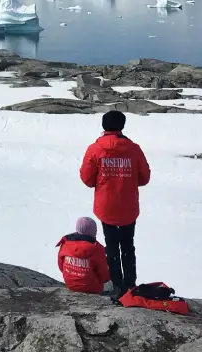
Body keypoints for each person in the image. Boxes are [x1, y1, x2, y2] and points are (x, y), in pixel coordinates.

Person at [79, 109, 150, 297]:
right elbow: (144, 177)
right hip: (128, 206)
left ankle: (117, 284)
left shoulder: (95, 149)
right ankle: (130, 284)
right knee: (128, 245)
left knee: (111, 245)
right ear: (122, 126)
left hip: (106, 205)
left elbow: (87, 179)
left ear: (104, 126)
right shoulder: (133, 149)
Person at [56, 216, 110, 294]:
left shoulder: (66, 243)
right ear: (93, 232)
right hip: (92, 288)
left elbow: (61, 266)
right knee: (111, 283)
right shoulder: (97, 249)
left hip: (71, 285)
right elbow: (104, 275)